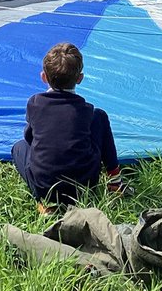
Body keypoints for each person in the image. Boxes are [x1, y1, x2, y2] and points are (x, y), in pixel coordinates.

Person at [10, 42, 123, 207]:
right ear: (80, 79)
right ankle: (114, 180)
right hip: (85, 185)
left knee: (18, 147)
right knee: (100, 116)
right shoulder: (87, 111)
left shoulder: (35, 103)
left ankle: (44, 202)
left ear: (43, 77)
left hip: (44, 186)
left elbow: (29, 138)